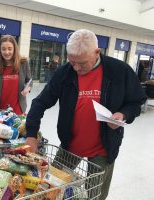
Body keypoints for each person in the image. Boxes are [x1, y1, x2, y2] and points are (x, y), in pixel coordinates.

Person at [25, 29, 147, 199]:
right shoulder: (65, 73)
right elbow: (40, 103)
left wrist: (123, 114)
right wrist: (31, 134)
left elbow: (137, 101)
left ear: (97, 52)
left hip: (104, 147)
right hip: (70, 143)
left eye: (82, 63)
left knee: (94, 194)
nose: (76, 68)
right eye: (72, 61)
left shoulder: (119, 71)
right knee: (50, 185)